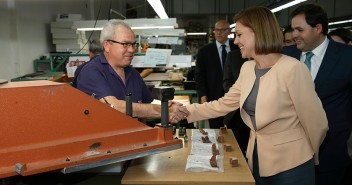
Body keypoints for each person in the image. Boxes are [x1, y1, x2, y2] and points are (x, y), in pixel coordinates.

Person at [172, 6, 328, 185]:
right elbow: (223, 104)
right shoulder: (247, 68)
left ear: (258, 33)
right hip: (256, 159)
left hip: (292, 164)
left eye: (239, 34)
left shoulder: (293, 69)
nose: (236, 41)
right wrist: (185, 110)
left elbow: (317, 123)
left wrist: (307, 154)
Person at [282, 4, 352, 185]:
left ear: (318, 28)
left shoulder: (346, 57)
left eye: (299, 29)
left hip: (331, 152)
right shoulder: (285, 56)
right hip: (290, 153)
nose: (294, 34)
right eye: (293, 29)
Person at [77, 20, 185, 120]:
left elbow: (146, 103)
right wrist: (163, 110)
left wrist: (169, 106)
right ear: (107, 45)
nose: (131, 50)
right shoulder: (91, 71)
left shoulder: (132, 73)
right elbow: (113, 106)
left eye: (133, 44)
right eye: (125, 44)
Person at [195, 19, 236, 128]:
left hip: (235, 96)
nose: (218, 33)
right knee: (217, 130)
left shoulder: (237, 48)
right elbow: (199, 75)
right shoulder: (204, 51)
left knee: (235, 130)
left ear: (229, 31)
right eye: (216, 30)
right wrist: (203, 94)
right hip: (213, 96)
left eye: (222, 30)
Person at [222, 49, 249, 155]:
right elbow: (226, 82)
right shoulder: (233, 56)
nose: (236, 41)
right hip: (237, 115)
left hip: (260, 119)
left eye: (240, 35)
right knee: (237, 152)